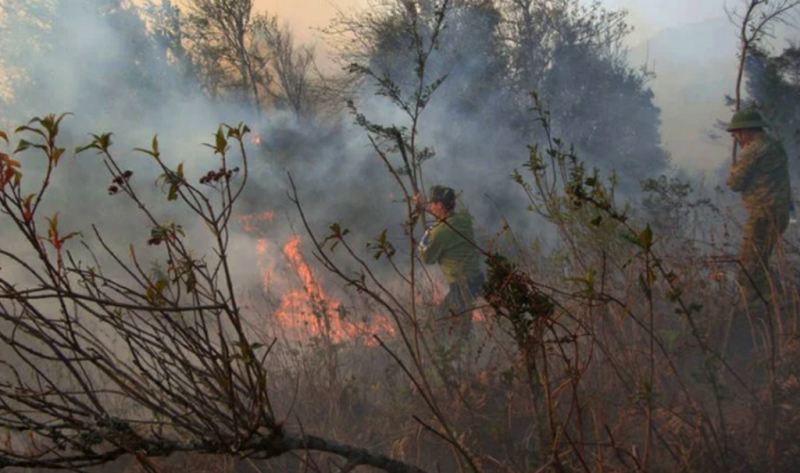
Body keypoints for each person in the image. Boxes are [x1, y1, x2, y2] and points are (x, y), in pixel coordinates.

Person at [726, 108, 792, 303]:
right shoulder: (774, 145)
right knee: (760, 261)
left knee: (749, 265)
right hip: (780, 213)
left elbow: (734, 184)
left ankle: (759, 306)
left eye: (737, 132)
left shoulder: (753, 150)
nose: (734, 136)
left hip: (762, 215)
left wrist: (734, 169)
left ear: (747, 131)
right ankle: (777, 299)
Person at [416, 185, 484, 339]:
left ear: (440, 205)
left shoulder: (439, 232)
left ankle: (461, 355)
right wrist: (423, 206)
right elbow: (443, 218)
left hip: (462, 285)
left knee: (443, 324)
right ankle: (469, 351)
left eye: (433, 203)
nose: (431, 206)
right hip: (475, 280)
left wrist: (428, 234)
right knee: (461, 321)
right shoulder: (463, 219)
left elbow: (426, 258)